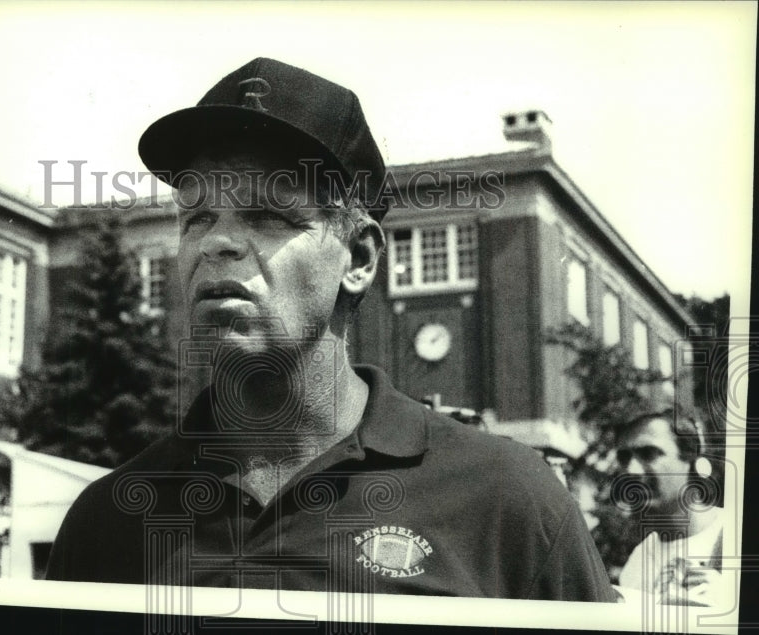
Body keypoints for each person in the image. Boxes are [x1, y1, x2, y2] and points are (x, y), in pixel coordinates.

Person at [46, 57, 616, 601]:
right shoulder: (107, 521)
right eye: (196, 216)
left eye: (268, 216)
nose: (216, 242)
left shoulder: (507, 501)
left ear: (359, 258)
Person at [613, 410, 727, 606]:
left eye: (648, 454)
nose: (631, 470)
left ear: (691, 458)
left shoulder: (736, 535)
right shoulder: (638, 561)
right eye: (624, 458)